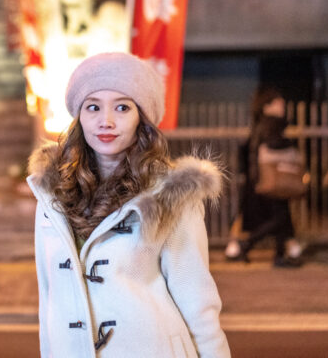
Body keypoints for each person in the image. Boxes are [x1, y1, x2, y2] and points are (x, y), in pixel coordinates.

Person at [26, 52, 231, 357]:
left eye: (122, 107)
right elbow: (50, 299)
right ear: (79, 116)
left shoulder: (169, 194)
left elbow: (197, 301)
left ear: (142, 118)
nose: (106, 121)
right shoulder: (52, 193)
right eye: (93, 107)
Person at [226, 85, 303, 268]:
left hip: (262, 177)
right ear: (266, 107)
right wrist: (290, 144)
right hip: (274, 176)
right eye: (277, 103)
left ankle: (279, 256)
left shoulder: (259, 124)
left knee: (281, 215)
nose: (282, 106)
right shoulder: (273, 123)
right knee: (280, 217)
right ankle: (247, 244)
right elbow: (273, 143)